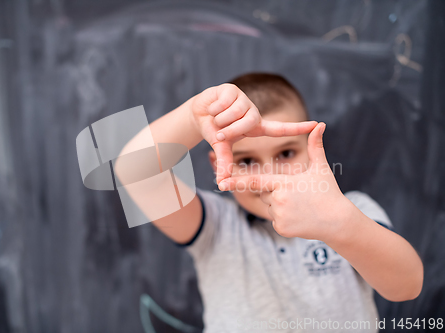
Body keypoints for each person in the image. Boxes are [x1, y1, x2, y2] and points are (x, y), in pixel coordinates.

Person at [124, 72, 424, 332]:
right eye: (247, 160)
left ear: (311, 149)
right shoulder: (215, 227)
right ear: (220, 165)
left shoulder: (353, 211)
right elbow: (133, 170)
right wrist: (192, 118)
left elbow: (407, 286)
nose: (270, 174)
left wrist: (340, 225)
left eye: (285, 154)